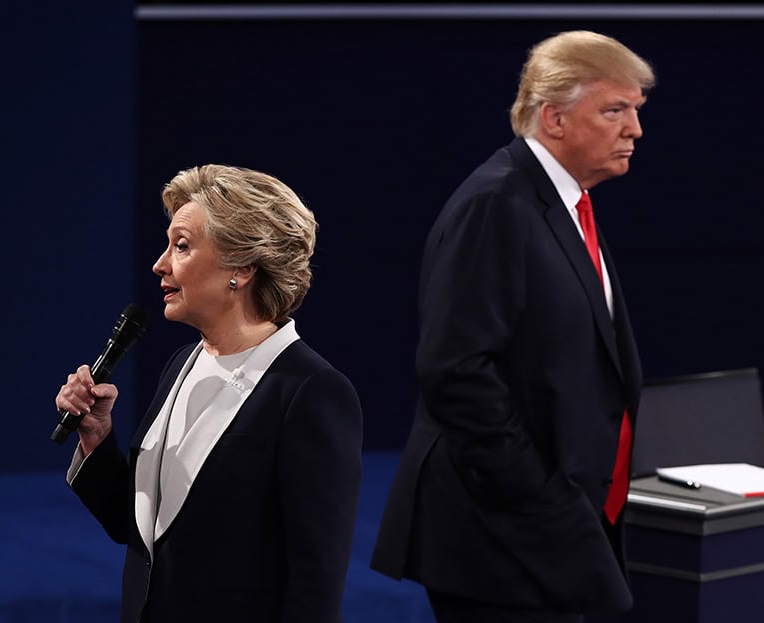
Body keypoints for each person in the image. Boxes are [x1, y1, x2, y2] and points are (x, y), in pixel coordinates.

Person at [371, 30, 655, 622]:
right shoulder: (496, 203)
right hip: (500, 533)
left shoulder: (563, 200)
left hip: (550, 518)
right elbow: (456, 372)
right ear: (553, 118)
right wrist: (541, 501)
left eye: (635, 111)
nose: (634, 129)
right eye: (614, 110)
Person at [55, 164, 363, 623]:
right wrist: (96, 439)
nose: (160, 263)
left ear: (241, 267)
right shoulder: (181, 365)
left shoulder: (312, 392)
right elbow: (137, 530)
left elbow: (315, 583)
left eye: (181, 246)